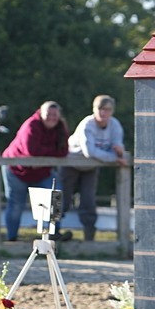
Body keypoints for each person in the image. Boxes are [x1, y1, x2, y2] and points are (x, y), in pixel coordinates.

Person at [61, 95, 127, 241]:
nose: (104, 113)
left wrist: (119, 151)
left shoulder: (114, 125)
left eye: (107, 109)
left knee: (88, 201)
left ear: (112, 111)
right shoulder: (87, 124)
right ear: (94, 110)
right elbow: (89, 152)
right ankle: (53, 234)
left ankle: (89, 238)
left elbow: (118, 145)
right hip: (71, 164)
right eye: (100, 109)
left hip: (92, 166)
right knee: (63, 200)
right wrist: (115, 158)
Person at [1, 100, 68, 241]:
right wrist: (49, 153)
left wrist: (41, 158)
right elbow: (32, 151)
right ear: (40, 113)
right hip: (16, 169)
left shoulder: (61, 128)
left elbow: (63, 151)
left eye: (55, 115)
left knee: (55, 196)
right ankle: (11, 239)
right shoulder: (31, 125)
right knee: (16, 204)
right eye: (48, 114)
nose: (52, 118)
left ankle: (52, 235)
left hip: (41, 171)